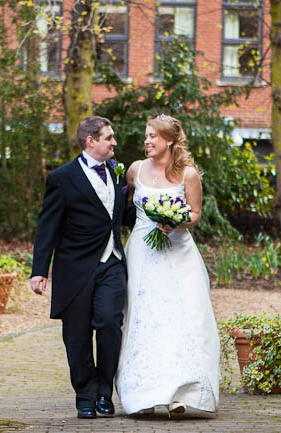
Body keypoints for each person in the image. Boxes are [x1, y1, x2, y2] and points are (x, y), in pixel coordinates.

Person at [30, 116, 135, 419]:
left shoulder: (117, 173)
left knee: (109, 324)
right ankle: (85, 397)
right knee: (76, 336)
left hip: (112, 263)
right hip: (74, 268)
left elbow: (122, 216)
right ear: (91, 141)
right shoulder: (61, 179)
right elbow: (47, 226)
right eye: (109, 137)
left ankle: (105, 392)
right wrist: (39, 270)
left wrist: (160, 213)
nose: (114, 142)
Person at [115, 114, 220, 415]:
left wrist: (175, 222)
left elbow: (195, 214)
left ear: (170, 140)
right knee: (143, 320)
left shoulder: (188, 174)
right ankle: (143, 394)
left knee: (183, 318)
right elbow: (126, 208)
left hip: (179, 255)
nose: (147, 141)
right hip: (142, 255)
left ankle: (181, 393)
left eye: (153, 137)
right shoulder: (135, 170)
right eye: (146, 136)